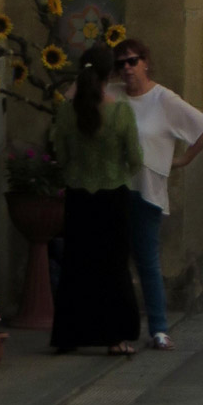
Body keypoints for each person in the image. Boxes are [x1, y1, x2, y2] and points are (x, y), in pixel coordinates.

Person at [112, 38, 203, 350]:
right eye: (120, 64)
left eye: (132, 61)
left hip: (147, 191)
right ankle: (116, 329)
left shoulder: (162, 99)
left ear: (146, 62)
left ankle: (159, 328)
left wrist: (183, 159)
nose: (127, 69)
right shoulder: (112, 94)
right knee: (114, 263)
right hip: (113, 189)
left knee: (147, 261)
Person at [50, 43, 142, 355]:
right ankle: (115, 337)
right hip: (113, 196)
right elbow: (136, 159)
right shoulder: (120, 111)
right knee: (113, 267)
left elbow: (59, 154)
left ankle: (69, 335)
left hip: (78, 196)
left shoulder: (66, 111)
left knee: (76, 264)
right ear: (110, 74)